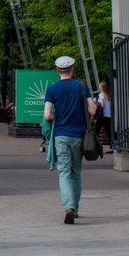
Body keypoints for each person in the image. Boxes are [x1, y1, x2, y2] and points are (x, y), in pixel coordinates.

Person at [43, 56, 95, 225]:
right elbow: (92, 110)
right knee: (76, 172)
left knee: (64, 172)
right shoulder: (82, 87)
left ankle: (69, 207)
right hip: (79, 135)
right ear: (72, 69)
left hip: (61, 135)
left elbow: (47, 115)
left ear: (58, 70)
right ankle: (76, 209)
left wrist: (54, 116)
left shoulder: (52, 89)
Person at [95, 81, 113, 150]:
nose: (99, 87)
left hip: (102, 115)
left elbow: (102, 105)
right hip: (109, 115)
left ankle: (94, 145)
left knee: (96, 130)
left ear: (102, 87)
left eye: (100, 86)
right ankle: (112, 145)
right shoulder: (109, 95)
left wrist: (96, 102)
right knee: (109, 131)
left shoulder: (101, 95)